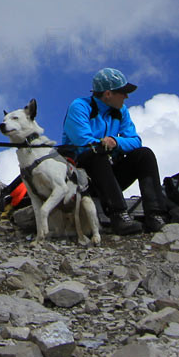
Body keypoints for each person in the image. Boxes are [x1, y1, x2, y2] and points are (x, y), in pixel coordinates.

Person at [59, 67, 169, 236]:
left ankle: (155, 216)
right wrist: (105, 145)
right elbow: (82, 142)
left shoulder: (121, 111)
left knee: (144, 155)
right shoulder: (79, 107)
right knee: (97, 153)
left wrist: (115, 142)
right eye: (122, 92)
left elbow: (135, 141)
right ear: (108, 94)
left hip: (109, 175)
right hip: (83, 177)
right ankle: (118, 216)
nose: (126, 96)